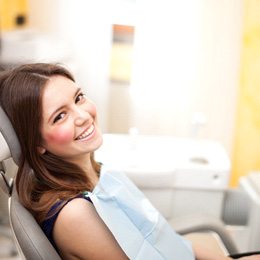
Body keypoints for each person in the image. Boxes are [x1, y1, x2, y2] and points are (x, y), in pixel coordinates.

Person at [0, 63, 259, 260]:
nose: (82, 116)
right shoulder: (74, 215)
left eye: (78, 98)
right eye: (59, 116)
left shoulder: (97, 173)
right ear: (37, 143)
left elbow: (155, 237)